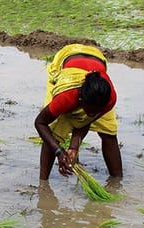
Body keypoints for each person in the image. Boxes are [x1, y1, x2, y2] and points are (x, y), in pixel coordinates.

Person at [34, 44, 123, 180]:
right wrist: (58, 151)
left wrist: (74, 146)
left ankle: (117, 181)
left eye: (96, 111)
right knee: (53, 132)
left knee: (109, 133)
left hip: (96, 55)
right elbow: (40, 122)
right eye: (90, 110)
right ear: (81, 99)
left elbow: (85, 121)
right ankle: (43, 183)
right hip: (67, 56)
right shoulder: (66, 96)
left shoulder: (109, 99)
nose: (92, 114)